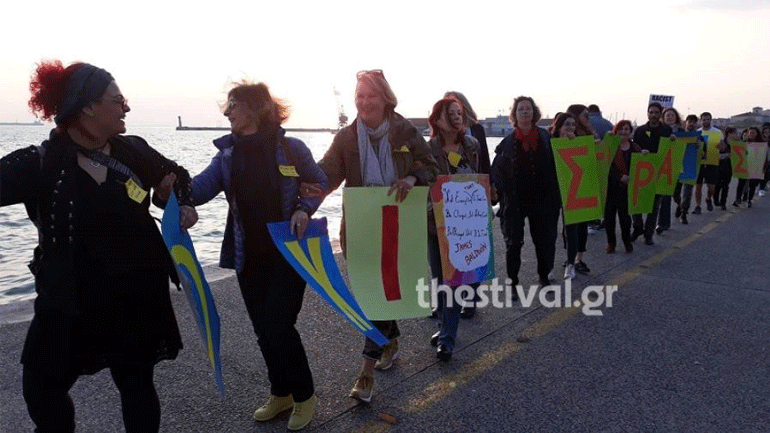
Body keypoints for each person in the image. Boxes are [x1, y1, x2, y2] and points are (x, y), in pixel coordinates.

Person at [1, 60, 198, 433]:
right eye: (117, 99)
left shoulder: (133, 150)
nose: (126, 106)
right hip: (69, 300)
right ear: (87, 107)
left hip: (135, 293)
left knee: (137, 385)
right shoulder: (39, 162)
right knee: (42, 390)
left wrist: (180, 203)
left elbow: (179, 178)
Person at [187, 81, 327, 430]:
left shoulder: (292, 149)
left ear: (256, 108)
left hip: (288, 254)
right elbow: (199, 189)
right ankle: (280, 393)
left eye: (233, 104)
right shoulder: (227, 156)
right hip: (247, 257)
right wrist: (167, 185)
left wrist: (304, 209)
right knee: (263, 331)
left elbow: (319, 182)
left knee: (279, 326)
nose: (227, 111)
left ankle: (304, 394)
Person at [307, 70, 438, 403]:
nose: (364, 102)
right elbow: (326, 175)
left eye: (371, 96)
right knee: (371, 295)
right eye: (360, 96)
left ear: (385, 99)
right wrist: (300, 198)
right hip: (362, 226)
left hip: (398, 222)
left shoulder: (405, 131)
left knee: (383, 293)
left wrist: (411, 177)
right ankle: (390, 340)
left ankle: (365, 373)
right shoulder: (347, 138)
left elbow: (433, 166)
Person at [426, 96, 483, 361]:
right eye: (450, 113)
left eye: (459, 112)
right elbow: (425, 186)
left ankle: (447, 338)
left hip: (465, 224)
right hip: (436, 224)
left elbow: (479, 178)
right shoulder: (428, 149)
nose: (457, 117)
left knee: (455, 280)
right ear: (437, 118)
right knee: (440, 279)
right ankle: (444, 326)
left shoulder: (472, 145)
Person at [491, 96, 561, 288]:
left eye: (528, 108)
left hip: (543, 199)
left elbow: (563, 161)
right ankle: (513, 281)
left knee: (544, 241)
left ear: (534, 112)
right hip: (515, 200)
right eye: (520, 109)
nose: (524, 112)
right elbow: (497, 170)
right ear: (514, 114)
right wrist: (494, 191)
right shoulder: (506, 143)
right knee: (513, 243)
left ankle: (544, 276)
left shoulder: (547, 138)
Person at [443, 90, 489, 319]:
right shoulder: (439, 137)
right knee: (449, 250)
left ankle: (470, 298)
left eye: (456, 105)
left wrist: (490, 192)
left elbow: (485, 163)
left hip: (474, 197)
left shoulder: (477, 130)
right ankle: (445, 302)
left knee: (474, 248)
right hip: (450, 200)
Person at [632, 102, 673, 245]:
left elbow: (671, 150)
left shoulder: (667, 130)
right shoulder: (639, 130)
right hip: (641, 171)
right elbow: (634, 148)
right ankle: (637, 228)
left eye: (656, 112)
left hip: (659, 171)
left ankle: (648, 234)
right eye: (651, 112)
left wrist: (674, 141)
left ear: (660, 114)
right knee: (636, 202)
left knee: (654, 206)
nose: (654, 115)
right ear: (647, 113)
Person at [604, 120, 641, 254]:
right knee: (609, 218)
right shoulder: (609, 146)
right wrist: (619, 177)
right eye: (620, 129)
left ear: (630, 132)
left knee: (625, 218)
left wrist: (646, 154)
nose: (623, 132)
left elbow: (641, 165)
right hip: (611, 187)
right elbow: (605, 166)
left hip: (627, 189)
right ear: (616, 130)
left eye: (626, 129)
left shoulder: (635, 148)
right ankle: (611, 243)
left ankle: (627, 242)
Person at [656, 107, 683, 233]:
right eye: (667, 115)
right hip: (662, 167)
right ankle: (662, 224)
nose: (670, 117)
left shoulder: (682, 131)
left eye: (672, 115)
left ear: (676, 117)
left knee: (674, 195)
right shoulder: (659, 130)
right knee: (663, 196)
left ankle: (680, 206)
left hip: (676, 167)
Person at [693, 112, 722, 214]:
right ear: (701, 121)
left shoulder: (717, 132)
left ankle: (708, 198)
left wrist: (721, 148)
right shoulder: (697, 132)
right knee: (698, 185)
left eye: (707, 119)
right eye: (703, 119)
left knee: (711, 187)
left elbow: (722, 146)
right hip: (699, 163)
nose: (705, 121)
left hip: (712, 162)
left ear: (711, 120)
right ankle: (698, 206)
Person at [673, 114, 698, 224]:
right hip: (678, 165)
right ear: (686, 123)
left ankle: (684, 213)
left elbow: (704, 152)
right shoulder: (679, 134)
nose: (691, 124)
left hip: (690, 166)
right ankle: (679, 204)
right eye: (689, 122)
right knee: (675, 192)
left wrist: (700, 145)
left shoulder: (699, 136)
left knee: (687, 193)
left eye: (694, 122)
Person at [714, 127, 736, 210]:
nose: (735, 135)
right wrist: (727, 155)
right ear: (729, 133)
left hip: (730, 167)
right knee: (718, 185)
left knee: (726, 186)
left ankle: (723, 202)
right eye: (733, 133)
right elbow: (716, 155)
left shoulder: (736, 143)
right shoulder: (722, 143)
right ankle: (716, 199)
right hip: (720, 166)